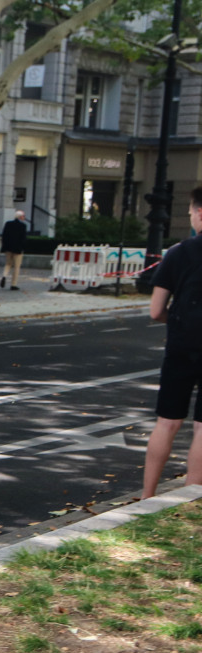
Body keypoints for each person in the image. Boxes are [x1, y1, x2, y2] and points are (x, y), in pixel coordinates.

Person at [142, 187, 202, 499]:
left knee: (167, 423)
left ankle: (146, 498)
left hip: (181, 344)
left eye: (190, 212)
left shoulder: (179, 253)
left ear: (200, 213)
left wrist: (175, 318)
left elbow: (155, 311)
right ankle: (191, 500)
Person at [0, 210, 28, 290]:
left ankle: (4, 275)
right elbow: (23, 238)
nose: (24, 218)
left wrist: (4, 246)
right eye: (23, 216)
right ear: (20, 217)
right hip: (18, 249)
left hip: (8, 248)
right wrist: (23, 248)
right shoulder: (23, 226)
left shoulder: (8, 224)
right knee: (16, 266)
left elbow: (4, 235)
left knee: (8, 264)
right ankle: (13, 284)